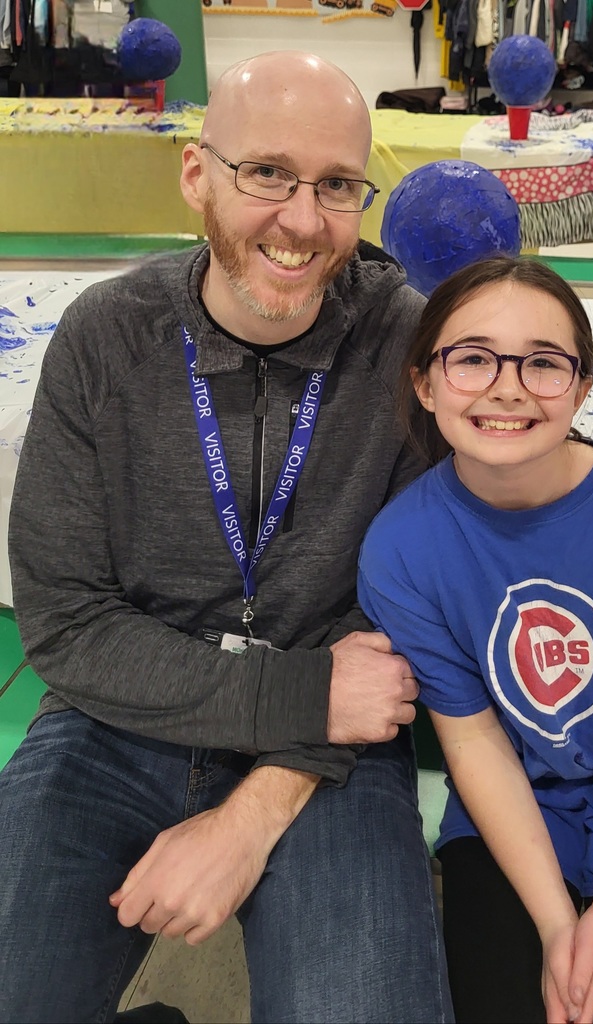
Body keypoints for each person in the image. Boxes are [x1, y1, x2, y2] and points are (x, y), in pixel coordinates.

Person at [1, 52, 453, 1024]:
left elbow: (407, 639)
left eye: (336, 184)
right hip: (122, 720)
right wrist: (303, 692)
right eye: (268, 174)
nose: (302, 217)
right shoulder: (105, 337)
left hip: (322, 756)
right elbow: (69, 628)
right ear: (198, 175)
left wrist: (251, 816)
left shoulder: (400, 346)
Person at [357, 257, 593, 1024]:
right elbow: (472, 743)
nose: (506, 387)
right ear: (425, 385)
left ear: (583, 388)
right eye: (471, 358)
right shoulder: (400, 550)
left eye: (542, 363)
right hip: (510, 791)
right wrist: (558, 922)